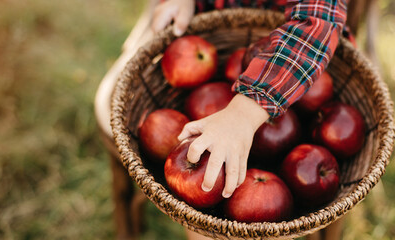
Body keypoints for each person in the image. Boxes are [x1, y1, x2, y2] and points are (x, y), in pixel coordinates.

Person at [95, 0, 350, 239]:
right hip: (212, 29)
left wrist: (243, 114)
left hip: (296, 66)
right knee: (206, 224)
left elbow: (316, 22)